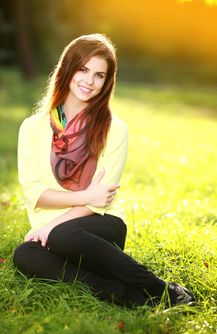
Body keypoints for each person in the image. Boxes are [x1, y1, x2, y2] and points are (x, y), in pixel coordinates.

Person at [13, 33, 194, 308]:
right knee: (25, 255)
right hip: (50, 230)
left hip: (99, 225)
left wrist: (55, 225)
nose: (89, 81)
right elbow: (35, 193)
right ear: (67, 70)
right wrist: (83, 198)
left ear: (106, 81)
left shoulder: (115, 129)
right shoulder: (32, 128)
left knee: (64, 235)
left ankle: (161, 290)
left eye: (99, 75)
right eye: (83, 70)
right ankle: (129, 298)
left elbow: (101, 202)